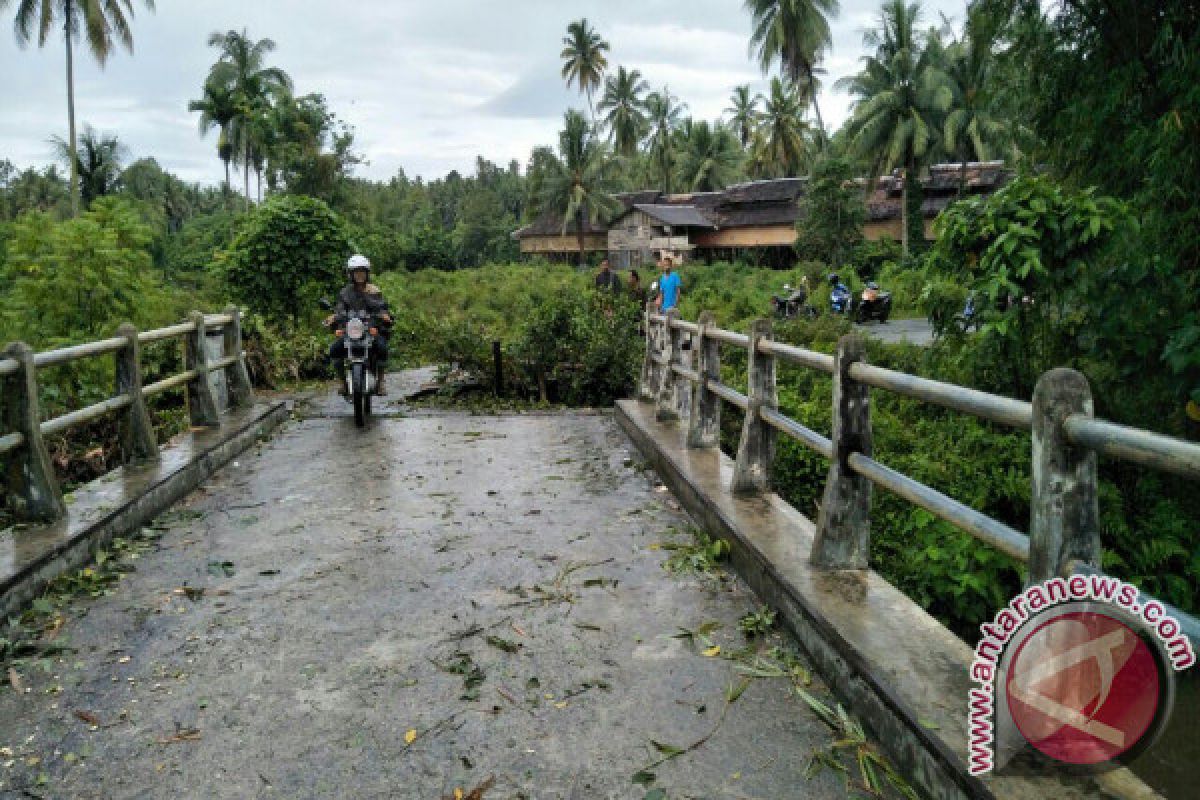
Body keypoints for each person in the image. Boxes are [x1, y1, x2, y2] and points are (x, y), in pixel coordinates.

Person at [325, 254, 393, 396]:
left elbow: (381, 307)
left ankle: (380, 382)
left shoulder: (374, 290)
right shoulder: (345, 292)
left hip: (369, 328)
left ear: (367, 273)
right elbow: (340, 309)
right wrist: (334, 317)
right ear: (351, 274)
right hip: (351, 330)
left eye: (362, 271)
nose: (359, 275)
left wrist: (384, 315)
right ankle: (342, 383)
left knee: (382, 347)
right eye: (356, 272)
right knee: (334, 350)